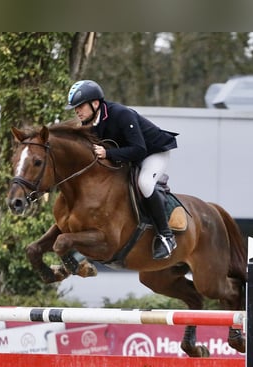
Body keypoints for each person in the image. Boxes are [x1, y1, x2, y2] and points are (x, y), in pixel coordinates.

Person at [65, 80, 179, 260]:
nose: (77, 111)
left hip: (153, 152)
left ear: (95, 104)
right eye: (75, 108)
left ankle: (166, 236)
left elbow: (139, 149)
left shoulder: (121, 114)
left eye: (80, 106)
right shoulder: (88, 124)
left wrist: (108, 153)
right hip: (126, 155)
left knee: (145, 183)